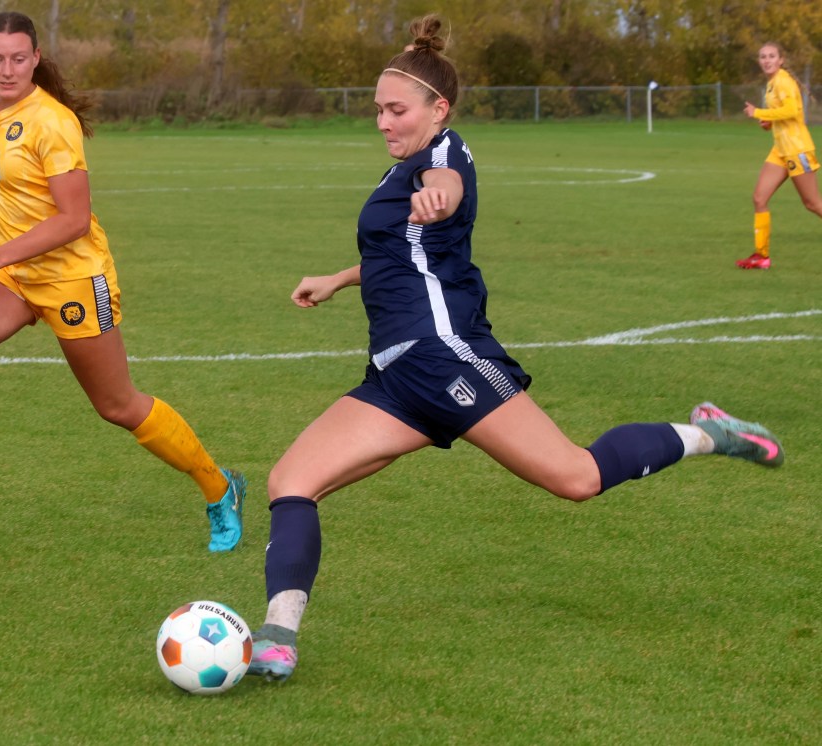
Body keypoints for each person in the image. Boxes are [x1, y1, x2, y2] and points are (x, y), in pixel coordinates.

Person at [246, 15, 786, 683]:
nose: (383, 122)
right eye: (377, 110)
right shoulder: (397, 175)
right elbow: (402, 257)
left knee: (577, 478)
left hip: (447, 362)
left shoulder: (443, 160)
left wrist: (439, 200)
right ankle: (277, 635)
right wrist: (338, 277)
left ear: (437, 109)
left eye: (396, 109)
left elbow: (445, 193)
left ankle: (709, 434)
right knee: (290, 482)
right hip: (395, 379)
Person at [0, 11, 245, 557]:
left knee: (117, 405)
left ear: (36, 59)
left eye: (18, 59)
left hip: (74, 276)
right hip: (9, 272)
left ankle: (220, 489)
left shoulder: (53, 122)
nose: (7, 70)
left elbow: (73, 219)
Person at [738, 41, 822, 269]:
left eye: (771, 56)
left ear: (781, 60)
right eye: (762, 56)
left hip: (797, 149)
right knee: (759, 198)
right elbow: (782, 114)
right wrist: (767, 121)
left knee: (813, 204)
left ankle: (761, 255)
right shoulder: (771, 84)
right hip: (781, 150)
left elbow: (792, 110)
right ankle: (761, 256)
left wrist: (758, 112)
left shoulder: (783, 80)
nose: (766, 60)